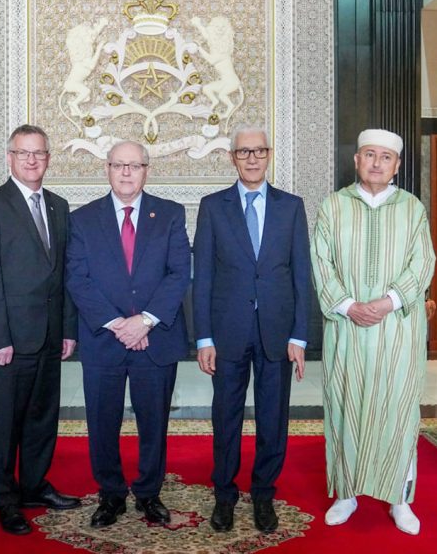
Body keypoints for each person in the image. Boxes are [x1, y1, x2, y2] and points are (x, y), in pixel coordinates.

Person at [312, 128, 435, 536]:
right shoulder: (333, 206)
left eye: (386, 157)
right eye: (369, 155)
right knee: (346, 405)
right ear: (356, 160)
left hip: (397, 330)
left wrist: (388, 302)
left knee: (398, 412)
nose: (377, 163)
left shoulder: (412, 209)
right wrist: (350, 306)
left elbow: (422, 265)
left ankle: (399, 497)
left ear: (397, 165)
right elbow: (321, 263)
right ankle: (346, 494)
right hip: (347, 329)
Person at [65, 141, 191, 528]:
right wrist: (119, 324)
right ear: (106, 169)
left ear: (146, 170)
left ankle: (150, 493)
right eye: (118, 165)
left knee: (154, 422)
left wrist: (146, 320)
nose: (125, 172)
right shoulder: (83, 218)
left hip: (155, 340)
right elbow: (77, 277)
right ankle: (111, 494)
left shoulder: (170, 214)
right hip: (104, 340)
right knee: (103, 422)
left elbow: (179, 272)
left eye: (134, 165)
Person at [193, 126, 311, 533]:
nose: (253, 158)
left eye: (259, 150)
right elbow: (202, 276)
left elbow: (301, 275)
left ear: (270, 154)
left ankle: (263, 495)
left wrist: (299, 335)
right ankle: (224, 495)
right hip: (227, 331)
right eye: (244, 152)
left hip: (277, 332)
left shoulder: (291, 207)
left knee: (272, 418)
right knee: (226, 416)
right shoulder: (213, 206)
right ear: (232, 158)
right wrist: (203, 337)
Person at [0, 124, 80, 535]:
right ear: (9, 158)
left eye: (39, 153)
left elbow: (63, 273)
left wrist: (68, 329)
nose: (32, 160)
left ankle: (33, 486)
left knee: (41, 418)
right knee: (4, 423)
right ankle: (4, 498)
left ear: (48, 159)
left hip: (50, 337)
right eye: (23, 153)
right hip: (8, 341)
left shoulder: (59, 206)